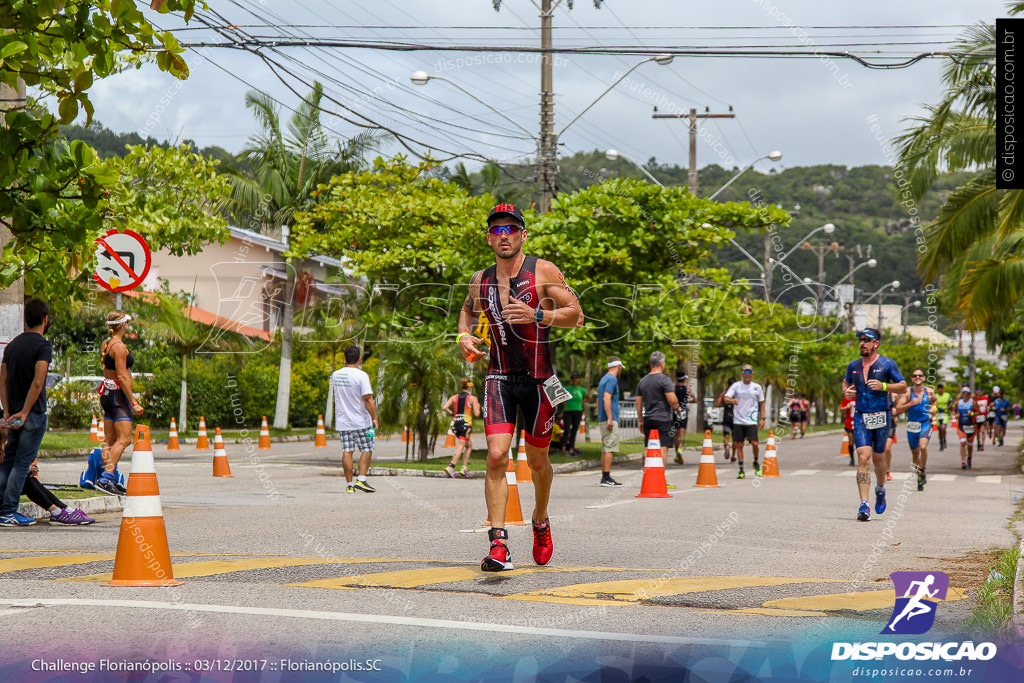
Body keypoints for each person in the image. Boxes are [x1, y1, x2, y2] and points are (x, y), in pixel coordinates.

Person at [456, 202, 584, 572]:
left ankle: (540, 521)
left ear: (523, 235)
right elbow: (468, 310)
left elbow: (576, 314)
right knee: (496, 456)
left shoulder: (542, 271)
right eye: (496, 230)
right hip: (498, 378)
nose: (504, 236)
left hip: (540, 381)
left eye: (510, 229)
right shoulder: (479, 280)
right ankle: (499, 544)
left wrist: (538, 314)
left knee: (537, 461)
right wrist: (464, 334)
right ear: (488, 239)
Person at [842, 328, 907, 522]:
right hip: (861, 416)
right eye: (861, 340)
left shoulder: (887, 364)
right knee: (863, 457)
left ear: (876, 343)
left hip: (882, 416)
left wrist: (885, 386)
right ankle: (864, 504)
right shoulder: (853, 366)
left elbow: (903, 386)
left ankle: (880, 489)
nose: (862, 343)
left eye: (866, 340)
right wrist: (847, 392)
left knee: (879, 460)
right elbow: (845, 384)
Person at [0, 298, 53, 526]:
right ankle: (9, 511)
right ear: (45, 319)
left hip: (12, 415)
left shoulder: (12, 346)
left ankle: (2, 508)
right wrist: (25, 412)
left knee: (8, 461)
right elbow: (38, 382)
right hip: (32, 415)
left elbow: (2, 379)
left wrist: (8, 411)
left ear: (25, 318)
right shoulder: (43, 346)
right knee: (22, 464)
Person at [94, 311, 143, 496]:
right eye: (127, 323)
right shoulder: (119, 348)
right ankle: (106, 478)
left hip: (107, 393)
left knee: (110, 439)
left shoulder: (106, 344)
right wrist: (134, 402)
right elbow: (122, 377)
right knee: (125, 439)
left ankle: (109, 479)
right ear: (123, 326)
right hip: (117, 396)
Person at [330, 344, 379, 494]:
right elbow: (368, 398)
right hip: (361, 422)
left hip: (343, 422)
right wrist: (375, 418)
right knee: (367, 448)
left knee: (347, 451)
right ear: (359, 359)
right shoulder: (361, 376)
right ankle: (362, 480)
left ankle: (349, 484)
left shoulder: (336, 375)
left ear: (345, 359)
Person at [635, 351, 682, 471]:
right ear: (661, 364)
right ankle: (661, 479)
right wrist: (677, 407)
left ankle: (647, 476)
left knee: (647, 447)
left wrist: (641, 420)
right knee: (663, 448)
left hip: (648, 419)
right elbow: (672, 400)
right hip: (663, 419)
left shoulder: (643, 381)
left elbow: (638, 403)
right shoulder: (664, 380)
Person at [894, 368, 935, 492]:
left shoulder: (929, 391)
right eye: (915, 375)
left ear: (923, 378)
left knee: (923, 447)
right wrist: (910, 404)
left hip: (925, 423)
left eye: (920, 375)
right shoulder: (907, 392)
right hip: (912, 425)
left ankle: (923, 469)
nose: (917, 377)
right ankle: (919, 477)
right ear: (912, 378)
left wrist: (934, 409)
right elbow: (899, 408)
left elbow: (935, 402)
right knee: (915, 453)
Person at [723, 364, 765, 479]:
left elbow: (762, 403)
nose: (747, 375)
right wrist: (732, 400)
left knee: (754, 443)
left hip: (751, 420)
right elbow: (725, 398)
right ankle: (741, 470)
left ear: (752, 374)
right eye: (745, 373)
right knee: (739, 444)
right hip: (738, 420)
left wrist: (762, 418)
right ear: (742, 374)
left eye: (749, 373)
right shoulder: (736, 386)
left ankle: (756, 462)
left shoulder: (757, 387)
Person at [442, 379, 481, 478]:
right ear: (469, 387)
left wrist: (453, 414)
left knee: (469, 446)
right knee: (461, 446)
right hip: (465, 425)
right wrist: (478, 407)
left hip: (456, 424)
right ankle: (451, 466)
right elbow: (477, 414)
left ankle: (464, 468)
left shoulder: (455, 397)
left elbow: (445, 407)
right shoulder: (472, 399)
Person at [597, 357, 625, 488]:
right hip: (609, 418)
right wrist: (610, 417)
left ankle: (605, 476)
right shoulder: (612, 379)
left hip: (602, 417)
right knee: (610, 448)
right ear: (618, 366)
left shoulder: (603, 379)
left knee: (605, 448)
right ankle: (606, 477)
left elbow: (598, 401)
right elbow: (606, 397)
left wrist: (601, 415)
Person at [562, 373, 587, 456]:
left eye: (576, 378)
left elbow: (588, 397)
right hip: (568, 411)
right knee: (567, 429)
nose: (575, 379)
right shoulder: (567, 388)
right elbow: (561, 396)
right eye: (573, 378)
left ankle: (571, 448)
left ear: (579, 379)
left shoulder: (581, 390)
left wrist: (582, 402)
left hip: (578, 411)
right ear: (571, 379)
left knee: (574, 430)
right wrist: (564, 403)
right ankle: (563, 448)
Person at [955, 386, 979, 469]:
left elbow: (978, 412)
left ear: (969, 394)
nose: (965, 395)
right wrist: (956, 415)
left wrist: (972, 414)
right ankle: (963, 461)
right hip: (961, 425)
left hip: (971, 425)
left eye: (967, 393)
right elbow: (954, 411)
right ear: (962, 394)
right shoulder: (958, 403)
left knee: (970, 445)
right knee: (962, 443)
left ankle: (969, 458)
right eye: (964, 393)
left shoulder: (973, 403)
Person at [714, 379, 736, 462]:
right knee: (735, 439)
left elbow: (717, 404)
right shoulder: (737, 395)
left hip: (726, 417)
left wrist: (724, 404)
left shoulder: (724, 394)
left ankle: (727, 445)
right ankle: (733, 455)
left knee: (726, 436)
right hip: (735, 418)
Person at [672, 372, 689, 464]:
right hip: (684, 412)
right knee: (682, 434)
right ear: (684, 379)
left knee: (676, 435)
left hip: (675, 412)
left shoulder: (673, 388)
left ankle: (677, 454)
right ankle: (680, 450)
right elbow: (695, 399)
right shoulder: (687, 389)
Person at [933, 383, 951, 451]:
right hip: (938, 414)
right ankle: (941, 443)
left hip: (945, 414)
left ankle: (944, 440)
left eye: (941, 388)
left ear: (943, 389)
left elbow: (951, 401)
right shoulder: (935, 396)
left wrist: (948, 407)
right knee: (940, 430)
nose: (940, 389)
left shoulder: (947, 395)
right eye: (938, 388)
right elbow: (932, 403)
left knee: (943, 428)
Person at [839, 394, 856, 466]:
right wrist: (846, 407)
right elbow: (841, 409)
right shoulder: (847, 398)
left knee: (859, 442)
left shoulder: (861, 396)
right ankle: (852, 459)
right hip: (849, 423)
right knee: (851, 441)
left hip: (860, 422)